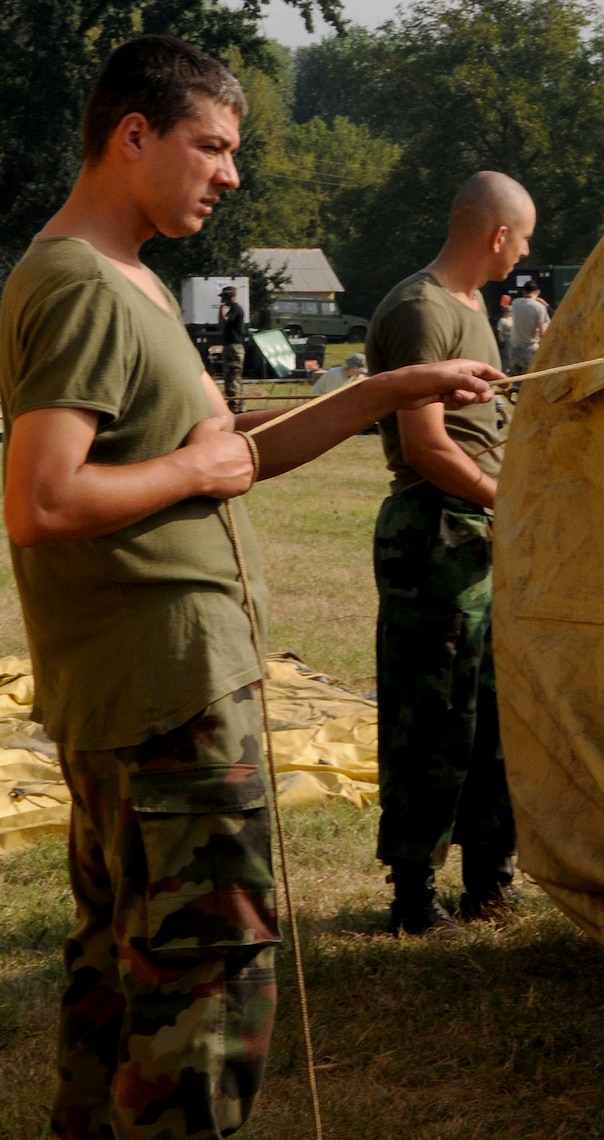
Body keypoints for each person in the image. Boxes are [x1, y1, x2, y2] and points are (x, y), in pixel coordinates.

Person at [0, 36, 501, 1138]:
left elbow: (231, 453)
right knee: (205, 990)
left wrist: (386, 391)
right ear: (133, 135)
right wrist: (195, 467)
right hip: (162, 700)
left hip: (157, 693)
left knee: (117, 980)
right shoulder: (79, 283)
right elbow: (40, 502)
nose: (230, 175)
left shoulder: (129, 277)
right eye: (211, 146)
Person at [365, 170, 530, 937]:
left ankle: (489, 874)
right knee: (432, 715)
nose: (525, 251)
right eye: (523, 237)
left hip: (482, 532)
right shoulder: (419, 310)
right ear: (498, 235)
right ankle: (414, 895)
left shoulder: (471, 309)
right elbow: (424, 445)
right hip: (436, 533)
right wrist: (512, 501)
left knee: (492, 711)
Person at [215, 282, 246, 412]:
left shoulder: (236, 309)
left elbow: (225, 320)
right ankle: (237, 405)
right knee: (231, 378)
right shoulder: (233, 309)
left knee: (232, 378)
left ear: (229, 297)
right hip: (232, 347)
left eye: (224, 297)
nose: (223, 300)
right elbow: (222, 322)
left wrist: (222, 308)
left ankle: (235, 407)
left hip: (234, 347)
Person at [506, 280, 547, 375]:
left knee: (516, 381)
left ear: (523, 291)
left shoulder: (515, 303)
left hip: (514, 348)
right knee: (529, 381)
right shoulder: (539, 308)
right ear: (538, 292)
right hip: (529, 348)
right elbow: (542, 333)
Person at [495, 292, 514, 369]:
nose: (510, 313)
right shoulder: (502, 320)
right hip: (507, 337)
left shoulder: (513, 319)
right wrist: (502, 340)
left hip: (514, 337)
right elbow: (500, 331)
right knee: (508, 354)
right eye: (509, 311)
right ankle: (507, 368)